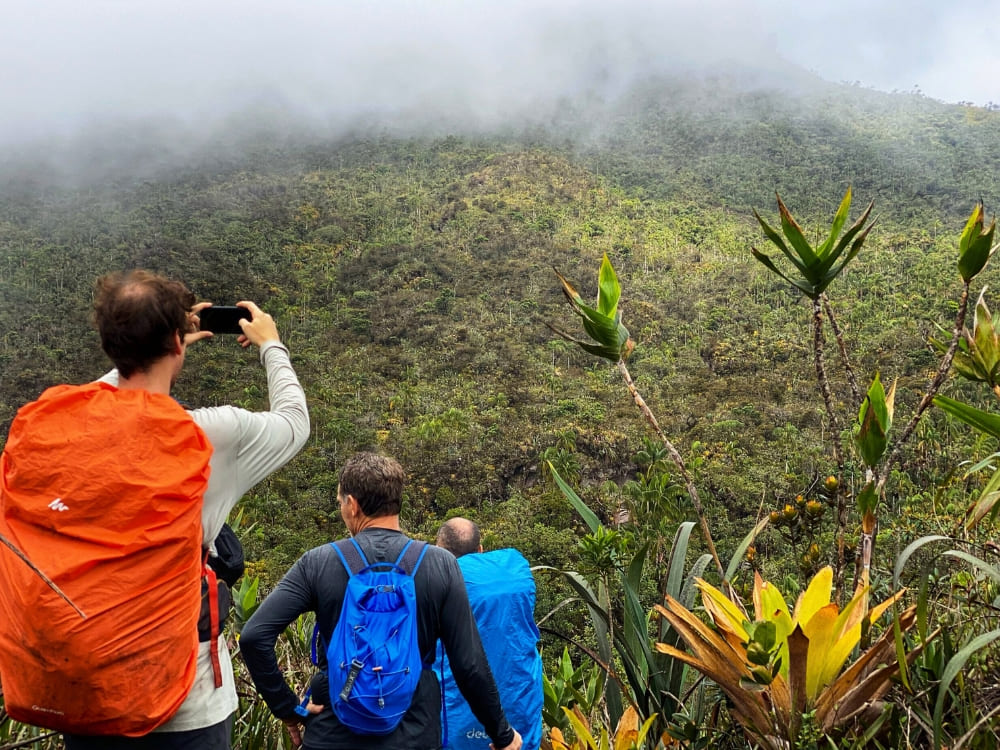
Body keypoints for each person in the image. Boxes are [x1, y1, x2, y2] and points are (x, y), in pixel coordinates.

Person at [74, 270, 310, 749]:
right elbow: (294, 421)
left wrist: (154, 340)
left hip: (85, 685)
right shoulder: (206, 435)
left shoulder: (69, 428)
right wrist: (272, 345)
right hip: (183, 701)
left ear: (109, 344)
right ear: (178, 346)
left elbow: (104, 391)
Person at [240, 452, 523, 750]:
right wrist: (501, 734)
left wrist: (287, 708)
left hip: (333, 735)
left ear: (353, 504)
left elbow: (254, 636)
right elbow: (469, 664)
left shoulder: (318, 562)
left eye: (340, 503)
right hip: (414, 735)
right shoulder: (440, 564)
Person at [434, 518, 543, 750]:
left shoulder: (437, 583)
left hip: (457, 719)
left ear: (440, 554)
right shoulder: (517, 575)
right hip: (520, 710)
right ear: (480, 550)